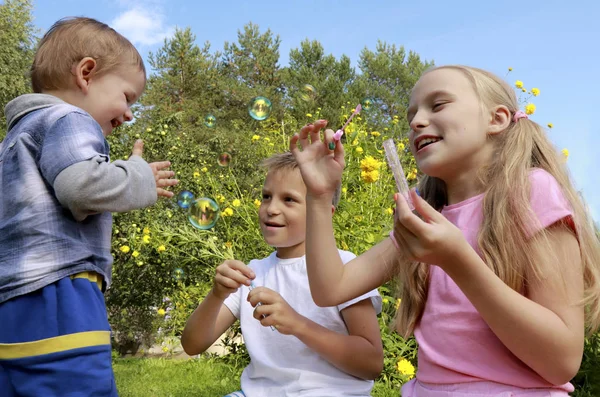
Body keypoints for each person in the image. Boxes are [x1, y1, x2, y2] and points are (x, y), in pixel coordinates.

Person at [290, 65, 600, 396]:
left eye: (437, 105)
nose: (415, 122)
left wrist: (457, 260)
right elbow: (331, 289)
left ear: (496, 119)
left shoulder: (531, 192)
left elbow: (561, 362)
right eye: (412, 114)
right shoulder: (426, 215)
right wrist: (319, 197)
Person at [0, 17, 178, 396]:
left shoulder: (13, 141)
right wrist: (137, 175)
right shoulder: (71, 119)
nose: (129, 113)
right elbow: (81, 187)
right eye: (127, 97)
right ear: (86, 73)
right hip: (60, 296)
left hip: (12, 304)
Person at [181, 152, 384, 397]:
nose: (271, 208)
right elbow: (192, 345)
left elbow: (372, 364)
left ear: (323, 212)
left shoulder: (344, 268)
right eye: (266, 197)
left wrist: (298, 324)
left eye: (289, 199)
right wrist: (216, 295)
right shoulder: (252, 274)